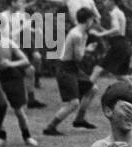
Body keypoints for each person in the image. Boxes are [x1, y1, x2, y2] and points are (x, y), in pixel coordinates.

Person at [42, 7, 97, 135]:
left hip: (71, 67)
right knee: (73, 103)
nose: (93, 23)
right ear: (88, 20)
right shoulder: (77, 35)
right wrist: (88, 48)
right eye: (93, 20)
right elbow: (79, 57)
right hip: (65, 69)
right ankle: (50, 127)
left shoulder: (82, 33)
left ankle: (80, 119)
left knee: (92, 89)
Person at [0, 18, 40, 147]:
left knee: (19, 111)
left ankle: (27, 136)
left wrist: (11, 63)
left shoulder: (9, 43)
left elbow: (25, 60)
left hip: (12, 77)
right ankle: (2, 137)